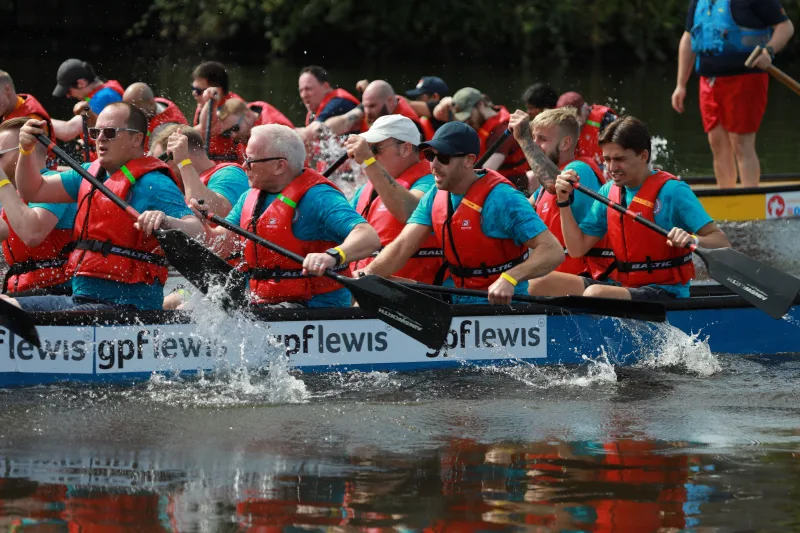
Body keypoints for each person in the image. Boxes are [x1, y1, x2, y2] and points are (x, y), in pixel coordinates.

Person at [7, 103, 204, 312]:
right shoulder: (86, 174)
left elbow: (197, 229)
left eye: (110, 132)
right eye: (95, 132)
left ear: (136, 139)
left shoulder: (154, 183)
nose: (100, 138)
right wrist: (25, 151)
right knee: (5, 306)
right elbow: (32, 191)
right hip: (83, 299)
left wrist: (165, 220)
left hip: (129, 308)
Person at [354, 122, 564, 305]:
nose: (434, 165)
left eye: (443, 158)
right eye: (430, 156)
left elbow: (552, 250)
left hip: (501, 303)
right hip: (458, 298)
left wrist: (510, 278)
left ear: (468, 160)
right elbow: (401, 248)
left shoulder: (503, 198)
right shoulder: (435, 195)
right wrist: (364, 277)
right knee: (380, 282)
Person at [191, 124, 380, 308]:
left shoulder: (319, 197)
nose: (244, 166)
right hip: (266, 303)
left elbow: (368, 237)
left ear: (280, 166)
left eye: (251, 160)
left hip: (316, 308)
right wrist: (195, 226)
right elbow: (222, 244)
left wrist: (332, 256)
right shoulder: (250, 197)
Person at [555, 116, 731, 301]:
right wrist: (563, 201)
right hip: (623, 286)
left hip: (665, 291)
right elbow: (576, 249)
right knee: (539, 283)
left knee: (594, 294)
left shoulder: (674, 191)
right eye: (607, 159)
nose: (611, 168)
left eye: (619, 159)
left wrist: (692, 239)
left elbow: (721, 242)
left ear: (643, 156)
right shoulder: (608, 192)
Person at [672, 0, 794, 188]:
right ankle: (727, 197)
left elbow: (785, 26)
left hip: (745, 79)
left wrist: (768, 51)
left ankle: (750, 199)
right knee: (717, 144)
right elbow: (688, 39)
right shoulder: (699, 2)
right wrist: (681, 84)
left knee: (741, 144)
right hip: (709, 82)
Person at [507, 108, 615, 296]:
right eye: (533, 138)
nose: (535, 144)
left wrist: (523, 139)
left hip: (593, 280)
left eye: (542, 139)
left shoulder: (578, 169)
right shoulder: (543, 189)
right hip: (561, 280)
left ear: (565, 143)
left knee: (530, 284)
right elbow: (520, 209)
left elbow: (552, 183)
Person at [346, 115, 443, 284]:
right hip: (364, 288)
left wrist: (369, 161)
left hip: (411, 296)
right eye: (368, 148)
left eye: (375, 149)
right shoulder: (365, 190)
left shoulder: (432, 184)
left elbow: (409, 212)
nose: (371, 155)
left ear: (405, 148)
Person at [0, 118, 76, 296]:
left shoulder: (54, 184)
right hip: (24, 293)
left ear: (25, 150)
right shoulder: (11, 196)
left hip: (59, 291)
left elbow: (32, 233)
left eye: (0, 154)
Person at [433, 87, 530, 191]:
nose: (466, 122)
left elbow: (485, 172)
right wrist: (443, 105)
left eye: (468, 116)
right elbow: (438, 115)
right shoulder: (480, 120)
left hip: (509, 190)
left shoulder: (502, 130)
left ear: (480, 104)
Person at [49, 59, 124, 146]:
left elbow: (68, 131)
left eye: (68, 91)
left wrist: (37, 118)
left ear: (81, 83)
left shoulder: (102, 97)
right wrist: (87, 142)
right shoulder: (104, 91)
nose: (68, 96)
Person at [326, 80, 426, 139]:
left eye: (372, 106)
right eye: (365, 106)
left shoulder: (408, 125)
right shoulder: (370, 110)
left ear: (390, 101)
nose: (367, 112)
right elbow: (327, 129)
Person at [190, 61, 244, 162]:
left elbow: (204, 130)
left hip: (230, 168)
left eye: (199, 91)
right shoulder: (204, 105)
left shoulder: (234, 106)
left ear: (216, 90)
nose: (194, 93)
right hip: (210, 161)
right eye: (192, 88)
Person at [214, 99, 294, 163]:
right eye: (227, 132)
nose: (232, 135)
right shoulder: (246, 114)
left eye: (235, 128)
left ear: (248, 115)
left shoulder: (273, 130)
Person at [295, 65, 360, 143]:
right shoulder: (314, 112)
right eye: (301, 90)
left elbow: (311, 133)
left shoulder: (338, 103)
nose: (303, 95)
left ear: (326, 87)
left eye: (308, 89)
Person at [556, 91, 618, 168]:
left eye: (572, 115)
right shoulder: (559, 126)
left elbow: (618, 154)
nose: (569, 122)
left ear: (584, 109)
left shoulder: (606, 119)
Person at [123, 82, 188, 151]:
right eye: (127, 107)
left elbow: (157, 160)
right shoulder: (152, 105)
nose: (129, 114)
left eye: (134, 109)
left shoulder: (164, 129)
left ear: (151, 104)